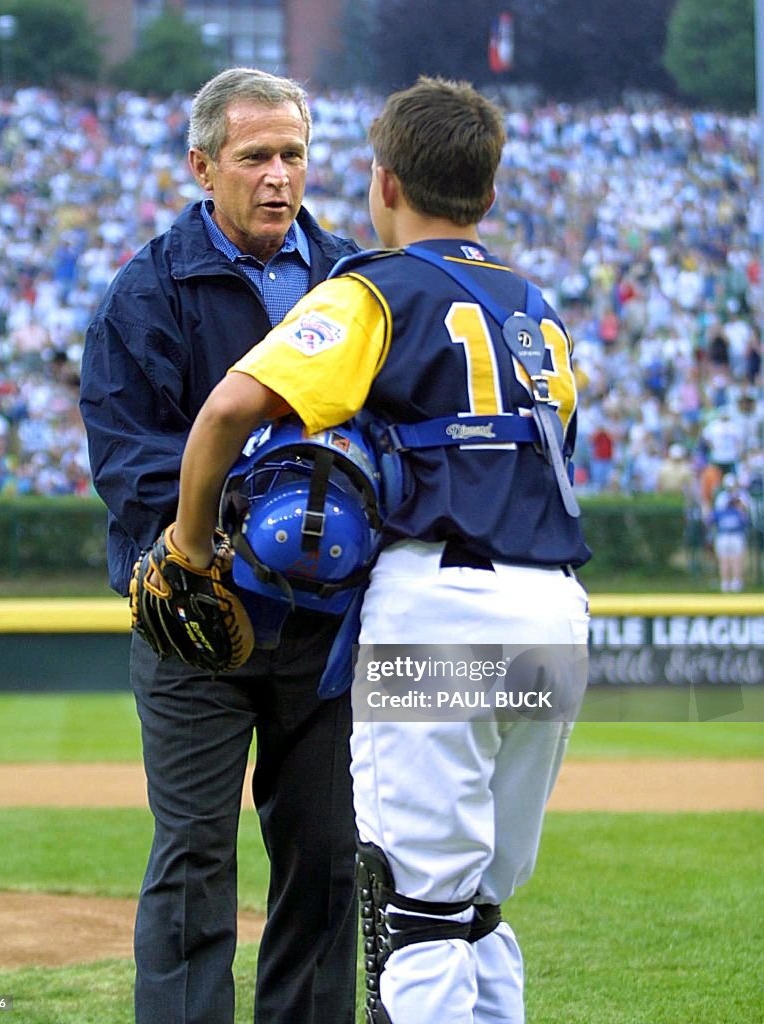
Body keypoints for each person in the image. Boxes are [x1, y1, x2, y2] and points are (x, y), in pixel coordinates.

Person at [168, 76, 591, 1024]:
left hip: (440, 612)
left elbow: (230, 408)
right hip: (553, 617)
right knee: (479, 904)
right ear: (487, 189)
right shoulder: (537, 310)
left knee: (417, 912)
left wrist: (189, 544)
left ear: (384, 182)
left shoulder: (372, 290)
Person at [78, 68, 360, 1024]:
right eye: (255, 158)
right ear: (203, 167)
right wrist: (271, 516)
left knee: (324, 860)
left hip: (327, 632)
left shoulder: (357, 281)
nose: (279, 176)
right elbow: (129, 464)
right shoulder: (144, 292)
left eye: (293, 156)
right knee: (196, 858)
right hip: (193, 617)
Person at [711, 475, 750, 592]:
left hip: (736, 533)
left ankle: (736, 582)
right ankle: (725, 583)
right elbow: (715, 516)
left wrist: (739, 506)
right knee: (724, 560)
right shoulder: (721, 497)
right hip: (723, 534)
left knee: (737, 559)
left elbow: (746, 516)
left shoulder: (742, 496)